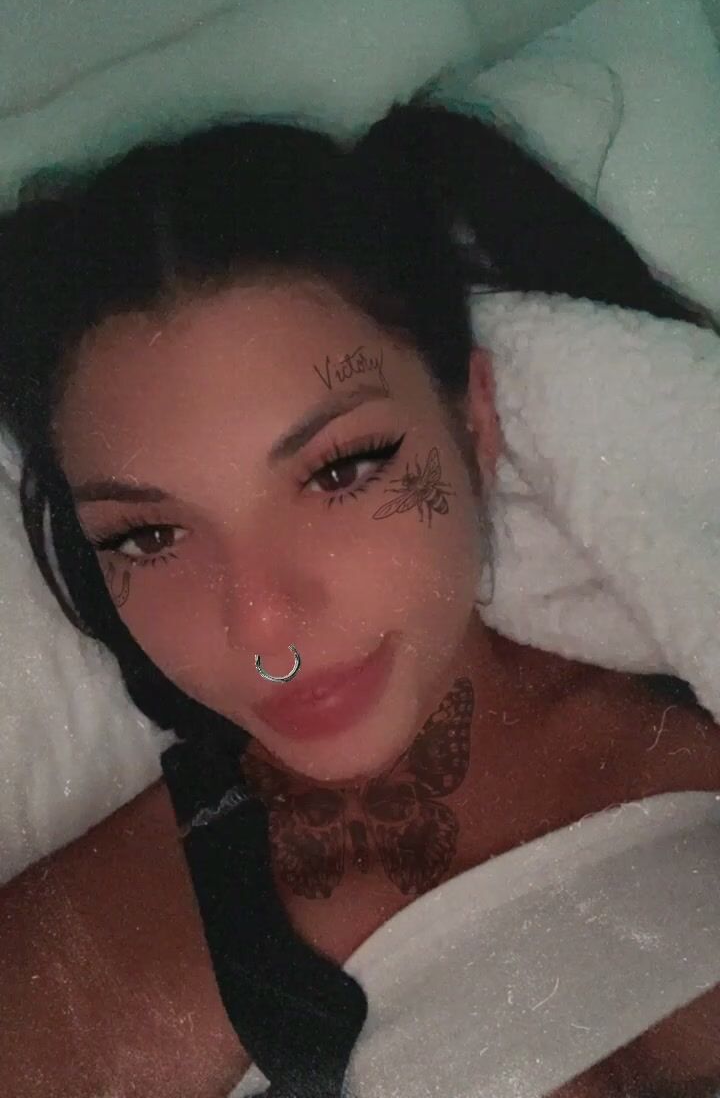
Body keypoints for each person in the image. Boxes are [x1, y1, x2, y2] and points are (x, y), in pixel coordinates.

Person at [1, 95, 719, 1098]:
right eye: (149, 535)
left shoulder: (688, 702)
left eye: (340, 471)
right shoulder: (105, 955)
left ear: (473, 423)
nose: (263, 623)